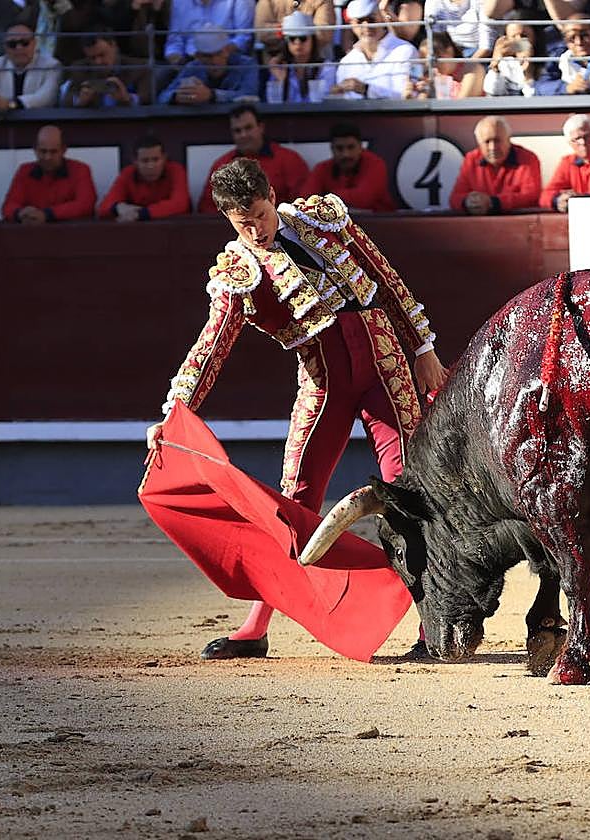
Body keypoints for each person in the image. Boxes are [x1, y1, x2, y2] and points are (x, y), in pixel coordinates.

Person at [146, 157, 448, 660]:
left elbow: (386, 280)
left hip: (386, 370)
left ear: (272, 194)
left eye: (260, 215)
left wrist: (423, 350)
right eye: (242, 223)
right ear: (226, 218)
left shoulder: (323, 217)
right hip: (324, 382)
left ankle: (432, 625)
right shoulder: (238, 272)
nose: (255, 230)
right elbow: (212, 346)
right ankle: (255, 626)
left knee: (408, 495)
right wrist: (175, 408)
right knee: (294, 500)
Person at [198, 104, 310, 214]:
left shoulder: (289, 159)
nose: (243, 135)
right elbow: (208, 208)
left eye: (248, 128)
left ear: (261, 127)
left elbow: (302, 203)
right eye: (237, 131)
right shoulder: (222, 164)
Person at [2, 125, 96, 224]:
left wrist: (47, 214)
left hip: (71, 236)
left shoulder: (80, 170)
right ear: (35, 149)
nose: (48, 157)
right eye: (43, 151)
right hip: (33, 235)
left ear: (63, 150)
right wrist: (20, 213)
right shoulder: (24, 171)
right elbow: (8, 206)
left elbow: (86, 205)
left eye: (53, 151)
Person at [449, 115, 542, 214]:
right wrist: (467, 202)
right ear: (479, 143)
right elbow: (455, 199)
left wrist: (493, 202)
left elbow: (532, 196)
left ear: (508, 140)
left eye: (497, 141)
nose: (492, 147)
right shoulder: (471, 159)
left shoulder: (528, 159)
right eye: (487, 142)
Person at [300, 122, 397, 213]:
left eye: (351, 147)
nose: (346, 154)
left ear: (360, 147)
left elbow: (363, 199)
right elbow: (306, 201)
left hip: (377, 225)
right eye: (339, 148)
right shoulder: (322, 168)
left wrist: (325, 197)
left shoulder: (375, 164)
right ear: (332, 149)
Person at [334, 0, 418, 99]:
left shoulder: (406, 52)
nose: (366, 26)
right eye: (359, 21)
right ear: (352, 25)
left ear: (382, 19)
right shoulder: (347, 62)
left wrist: (367, 89)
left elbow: (408, 96)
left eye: (371, 19)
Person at [158, 24, 259, 104]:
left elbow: (251, 95)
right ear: (198, 56)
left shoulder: (247, 65)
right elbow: (162, 98)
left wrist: (212, 95)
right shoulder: (193, 68)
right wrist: (176, 97)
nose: (214, 61)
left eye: (218, 53)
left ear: (227, 50)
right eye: (207, 56)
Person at [98, 135, 191, 222]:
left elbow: (180, 203)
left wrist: (141, 213)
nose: (151, 166)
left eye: (156, 160)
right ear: (135, 162)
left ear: (164, 158)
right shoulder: (128, 173)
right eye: (144, 161)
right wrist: (117, 207)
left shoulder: (175, 170)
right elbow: (103, 208)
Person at [60, 25, 154, 108]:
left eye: (102, 55)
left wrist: (128, 98)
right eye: (92, 58)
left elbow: (148, 100)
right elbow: (66, 100)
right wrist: (79, 101)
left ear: (113, 45)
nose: (98, 62)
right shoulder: (79, 69)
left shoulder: (139, 67)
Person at [0, 23, 60, 112]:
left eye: (24, 43)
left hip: (39, 121)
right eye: (12, 44)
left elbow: (47, 98)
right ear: (5, 47)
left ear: (34, 44)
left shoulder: (51, 65)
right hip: (2, 122)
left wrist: (10, 104)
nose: (19, 48)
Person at [263, 11, 336, 103]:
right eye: (292, 38)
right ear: (286, 42)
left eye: (303, 38)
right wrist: (281, 80)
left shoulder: (326, 68)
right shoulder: (280, 68)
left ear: (312, 40)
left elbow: (323, 102)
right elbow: (273, 103)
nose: (298, 43)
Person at [164, 0, 254, 63]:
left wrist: (211, 55)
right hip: (189, 62)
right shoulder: (179, 2)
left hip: (225, 60)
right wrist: (177, 60)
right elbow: (174, 42)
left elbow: (244, 38)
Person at [404, 31, 485, 98]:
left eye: (433, 60)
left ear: (449, 51)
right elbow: (421, 109)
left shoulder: (472, 69)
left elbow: (462, 105)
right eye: (425, 62)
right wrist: (413, 94)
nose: (430, 66)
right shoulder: (433, 76)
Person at [483, 11, 541, 96]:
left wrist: (528, 73)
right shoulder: (505, 62)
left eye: (524, 36)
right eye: (513, 36)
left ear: (535, 36)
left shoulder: (547, 60)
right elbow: (493, 91)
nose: (519, 40)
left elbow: (534, 97)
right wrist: (495, 66)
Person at [255, 0, 337, 56]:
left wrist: (287, 31)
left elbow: (324, 33)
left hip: (315, 56)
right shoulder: (267, 1)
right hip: (276, 57)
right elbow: (262, 32)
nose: (297, 42)